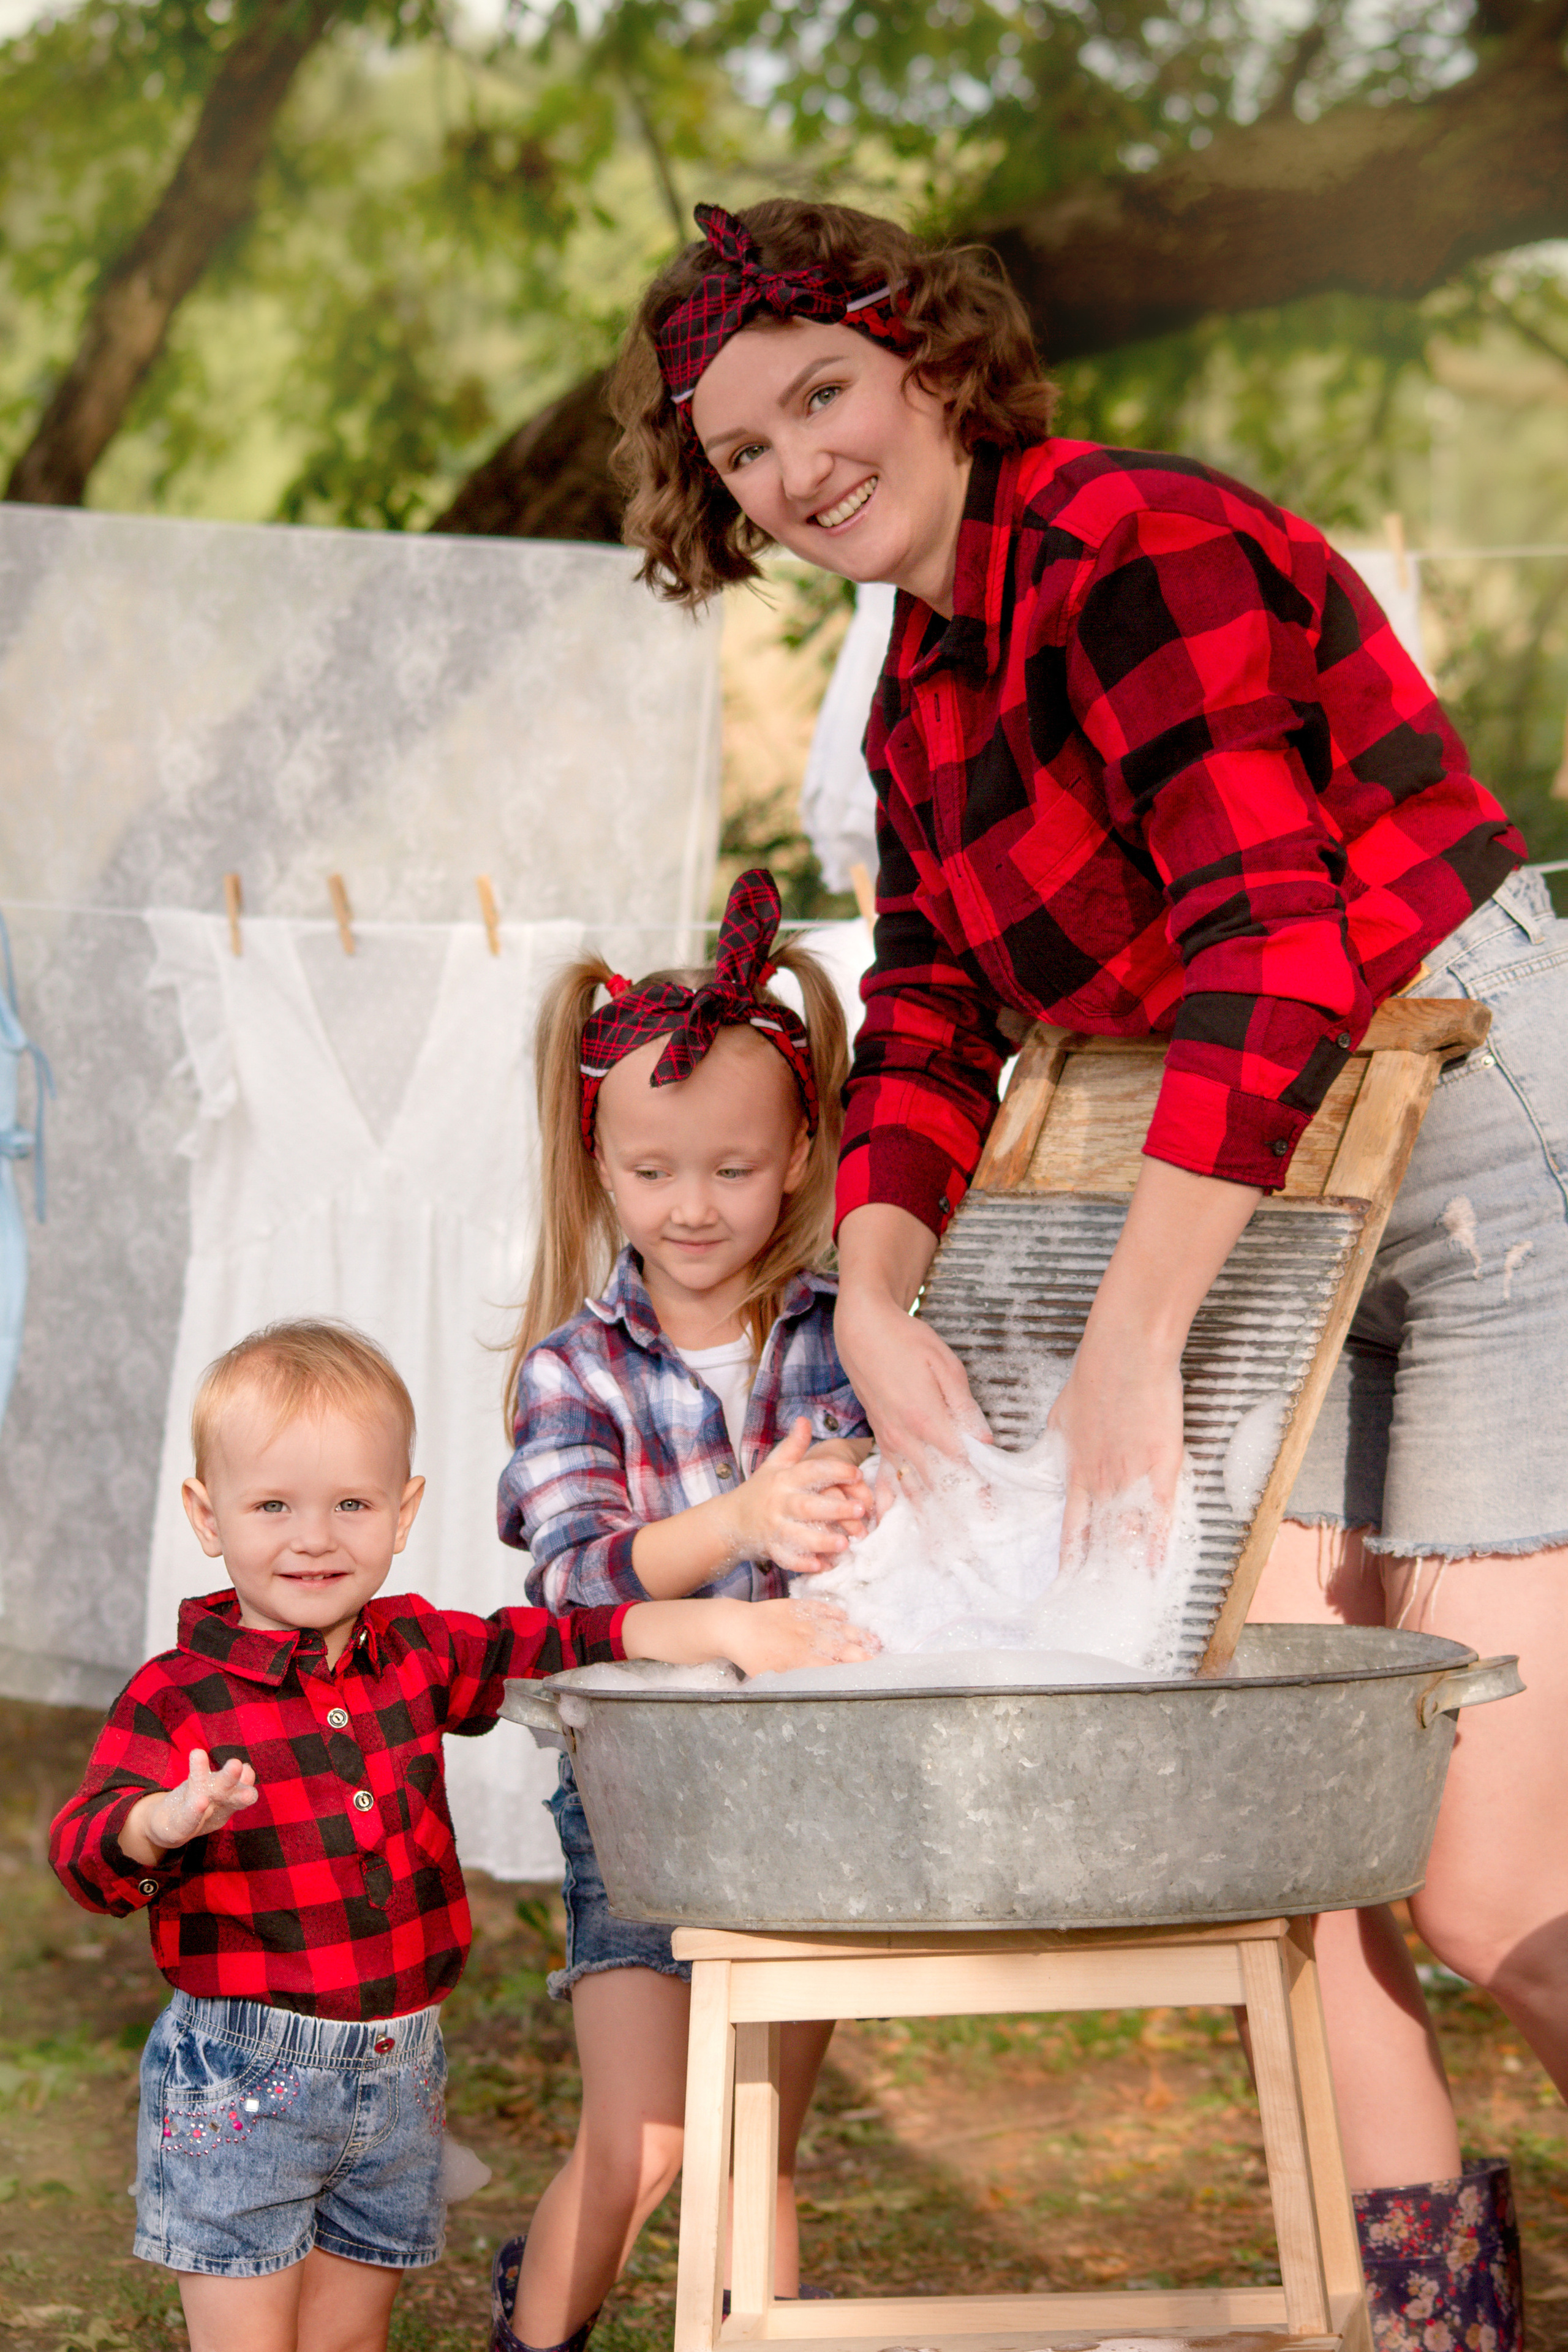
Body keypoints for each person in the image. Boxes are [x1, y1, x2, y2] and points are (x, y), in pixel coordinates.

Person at [608, 197, 1558, 2350]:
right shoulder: (914, 691)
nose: (795, 469)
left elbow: (1279, 943)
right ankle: (1434, 2322)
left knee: (1490, 1884)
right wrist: (867, 1291)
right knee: (1290, 1846)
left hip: (1479, 1144)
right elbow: (939, 1012)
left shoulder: (1135, 547)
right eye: (741, 451)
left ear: (930, 360)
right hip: (1269, 1192)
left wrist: (1135, 1343)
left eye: (822, 396)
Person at [50, 1317, 869, 2352]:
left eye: (351, 1504)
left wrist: (728, 1628)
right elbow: (82, 1848)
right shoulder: (179, 1697)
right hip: (242, 2077)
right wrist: (156, 1826)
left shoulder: (418, 1651)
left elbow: (571, 1634)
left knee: (351, 2335)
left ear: (405, 1510)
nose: (314, 1537)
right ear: (207, 1517)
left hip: (399, 2070)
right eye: (273, 1507)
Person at [494, 867, 875, 2352]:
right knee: (648, 2136)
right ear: (598, 1170)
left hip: (806, 1782)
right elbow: (577, 1580)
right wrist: (735, 1535)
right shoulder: (572, 1370)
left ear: (796, 1157)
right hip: (644, 1794)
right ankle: (532, 2338)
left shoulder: (841, 1334)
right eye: (652, 1171)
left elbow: (891, 1525)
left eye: (732, 1166)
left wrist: (866, 1502)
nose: (692, 1206)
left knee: (752, 2137)